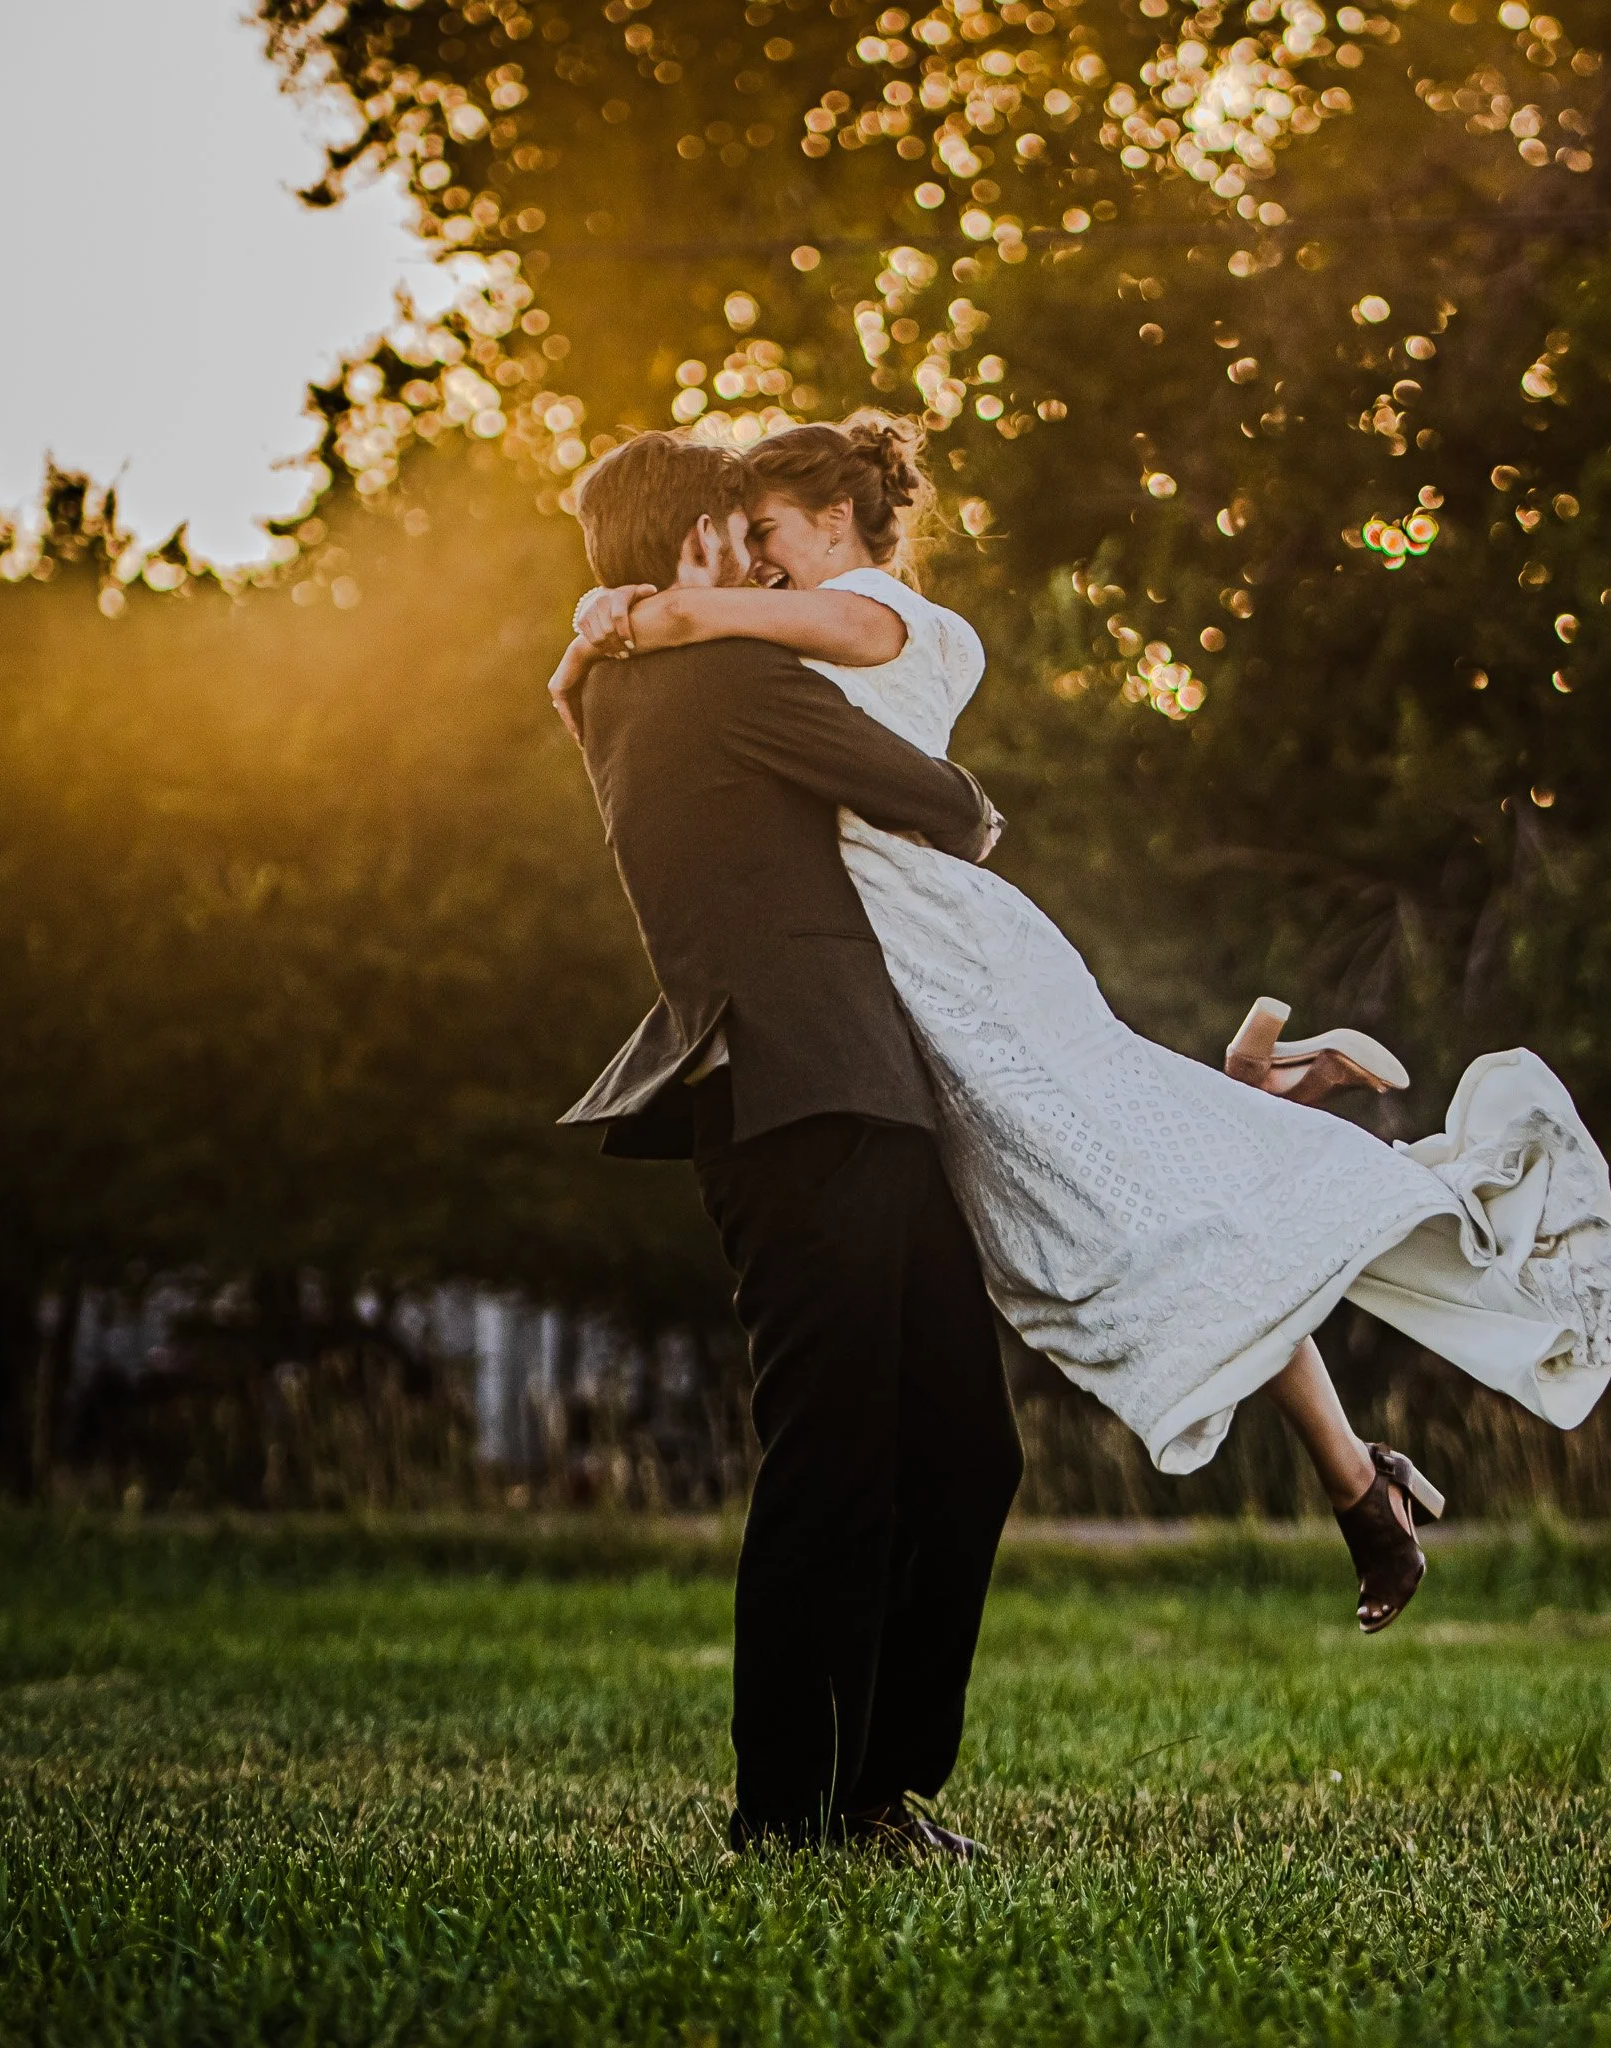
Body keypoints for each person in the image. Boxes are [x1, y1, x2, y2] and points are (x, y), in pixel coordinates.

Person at [554, 413, 1611, 1639]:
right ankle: (1345, 1454)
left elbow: (746, 656)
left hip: (939, 952)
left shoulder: (870, 616)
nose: (758, 563)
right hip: (878, 987)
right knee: (1141, 1217)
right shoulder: (757, 653)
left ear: (838, 522)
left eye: (771, 535)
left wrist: (625, 617)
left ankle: (1272, 1183)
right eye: (739, 541)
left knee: (1147, 1187)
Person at [555, 431, 1023, 1859]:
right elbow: (952, 808)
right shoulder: (722, 678)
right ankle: (801, 1808)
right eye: (732, 535)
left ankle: (871, 1789)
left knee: (956, 1444)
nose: (755, 560)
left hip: (820, 1093)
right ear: (692, 545)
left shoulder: (614, 690)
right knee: (846, 1453)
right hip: (808, 1090)